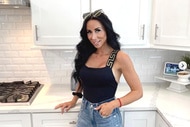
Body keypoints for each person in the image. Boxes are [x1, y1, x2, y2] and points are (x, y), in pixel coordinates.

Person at [55, 9, 143, 127]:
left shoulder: (119, 57)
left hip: (107, 115)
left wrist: (113, 104)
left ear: (107, 30)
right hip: (85, 113)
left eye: (98, 30)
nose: (93, 37)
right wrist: (73, 100)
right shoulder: (86, 54)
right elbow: (83, 80)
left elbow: (138, 92)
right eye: (89, 32)